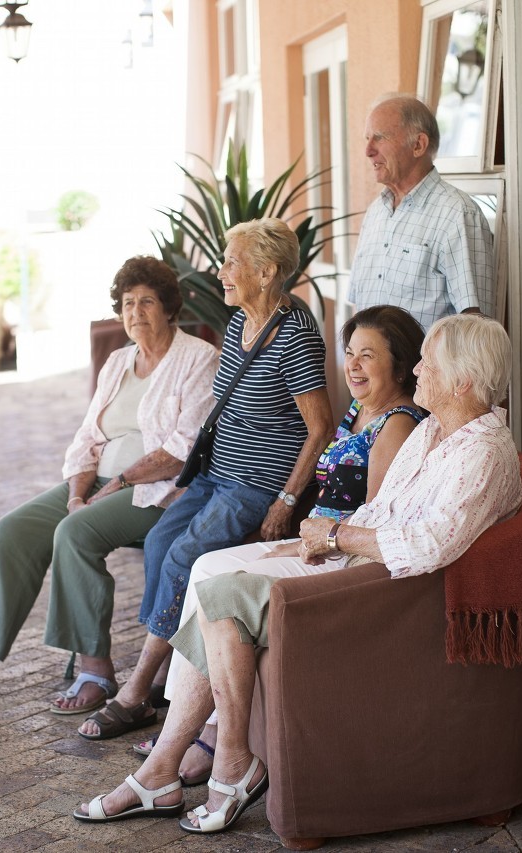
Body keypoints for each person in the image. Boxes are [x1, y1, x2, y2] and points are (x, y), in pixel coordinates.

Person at [74, 313, 522, 832]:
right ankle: (180, 768)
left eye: (429, 362)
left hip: (382, 602)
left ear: (463, 380)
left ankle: (219, 763)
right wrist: (310, 543)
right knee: (217, 592)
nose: (418, 369)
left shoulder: (481, 451)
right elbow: (381, 514)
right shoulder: (440, 434)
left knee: (222, 597)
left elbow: (428, 545)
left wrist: (334, 539)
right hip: (361, 570)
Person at [0, 257, 219, 715]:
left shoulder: (197, 358)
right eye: (128, 303)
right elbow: (87, 438)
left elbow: (182, 450)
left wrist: (116, 485)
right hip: (102, 483)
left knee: (76, 531)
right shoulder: (118, 362)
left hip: (159, 491)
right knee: (13, 529)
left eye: (147, 301)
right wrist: (75, 493)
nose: (136, 312)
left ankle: (95, 671)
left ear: (169, 307)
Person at [133, 305, 428, 782]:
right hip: (315, 540)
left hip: (341, 560)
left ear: (400, 363)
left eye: (368, 356)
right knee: (206, 566)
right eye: (349, 352)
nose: (352, 365)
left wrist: (308, 539)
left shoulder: (396, 424)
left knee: (214, 575)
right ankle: (192, 728)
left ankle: (200, 736)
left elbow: (373, 519)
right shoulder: (358, 410)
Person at [76, 217, 335, 741]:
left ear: (266, 272)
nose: (221, 273)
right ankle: (165, 681)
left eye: (232, 262)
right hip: (218, 472)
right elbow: (226, 405)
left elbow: (321, 427)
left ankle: (139, 691)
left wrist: (286, 500)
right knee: (161, 542)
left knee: (182, 555)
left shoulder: (297, 335)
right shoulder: (240, 321)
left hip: (257, 483)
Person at [348, 93, 496, 329]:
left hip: (424, 367)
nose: (368, 150)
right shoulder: (375, 213)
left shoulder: (458, 214)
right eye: (367, 139)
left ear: (418, 145)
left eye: (380, 138)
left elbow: (475, 327)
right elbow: (359, 305)